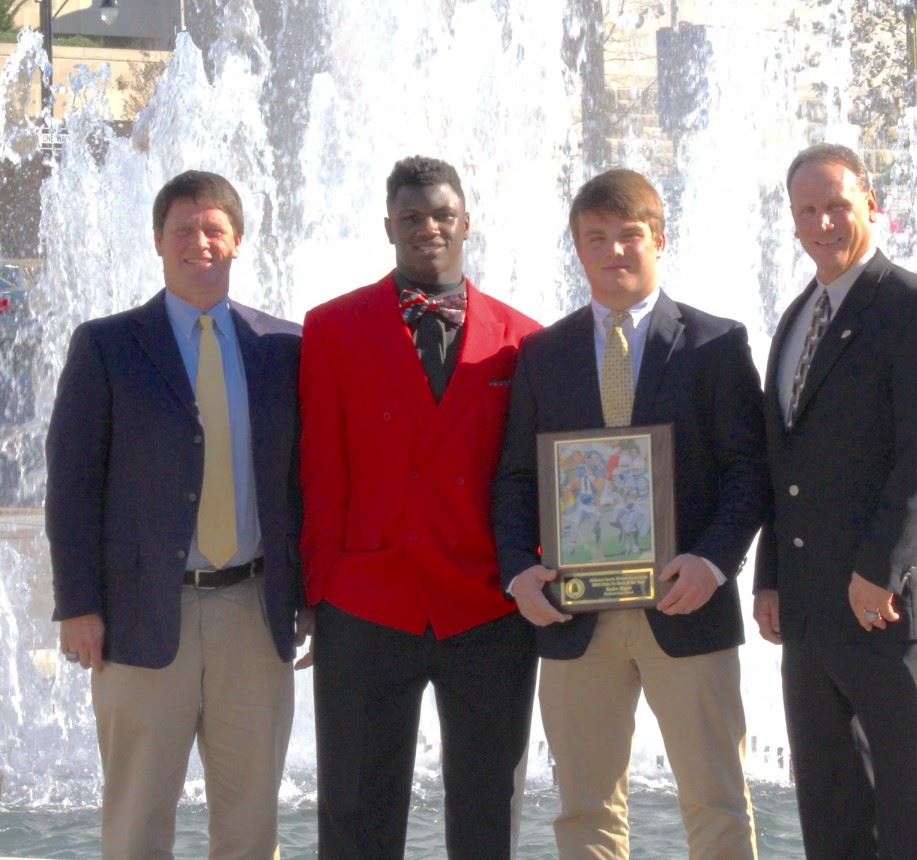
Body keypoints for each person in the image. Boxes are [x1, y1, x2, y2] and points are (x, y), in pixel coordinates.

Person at [493, 168, 768, 858]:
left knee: (717, 802)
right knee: (584, 810)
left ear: (659, 240)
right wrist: (519, 572)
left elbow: (749, 470)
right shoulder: (542, 356)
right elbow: (516, 479)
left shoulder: (715, 345)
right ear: (578, 250)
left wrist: (712, 561)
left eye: (628, 236)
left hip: (687, 606)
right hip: (573, 615)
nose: (613, 251)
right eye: (596, 239)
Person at [46, 170, 310, 858]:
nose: (201, 243)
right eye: (184, 230)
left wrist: (310, 595)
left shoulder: (284, 348)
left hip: (254, 614)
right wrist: (79, 605)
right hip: (139, 617)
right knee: (137, 825)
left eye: (214, 229)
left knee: (252, 826)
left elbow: (303, 484)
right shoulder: (106, 347)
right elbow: (71, 487)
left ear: (238, 241)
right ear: (158, 242)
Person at [299, 155, 540, 860]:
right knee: (355, 809)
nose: (427, 227)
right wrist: (319, 593)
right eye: (410, 216)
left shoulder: (525, 337)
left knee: (489, 809)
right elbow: (321, 473)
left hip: (488, 605)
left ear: (465, 221)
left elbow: (529, 477)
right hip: (369, 603)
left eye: (441, 214)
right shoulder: (332, 327)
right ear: (387, 227)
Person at [753, 143, 917, 858]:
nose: (823, 222)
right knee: (831, 807)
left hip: (891, 608)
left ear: (870, 205)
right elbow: (782, 464)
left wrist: (882, 568)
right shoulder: (793, 321)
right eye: (807, 210)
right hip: (812, 615)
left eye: (837, 205)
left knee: (912, 808)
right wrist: (769, 578)